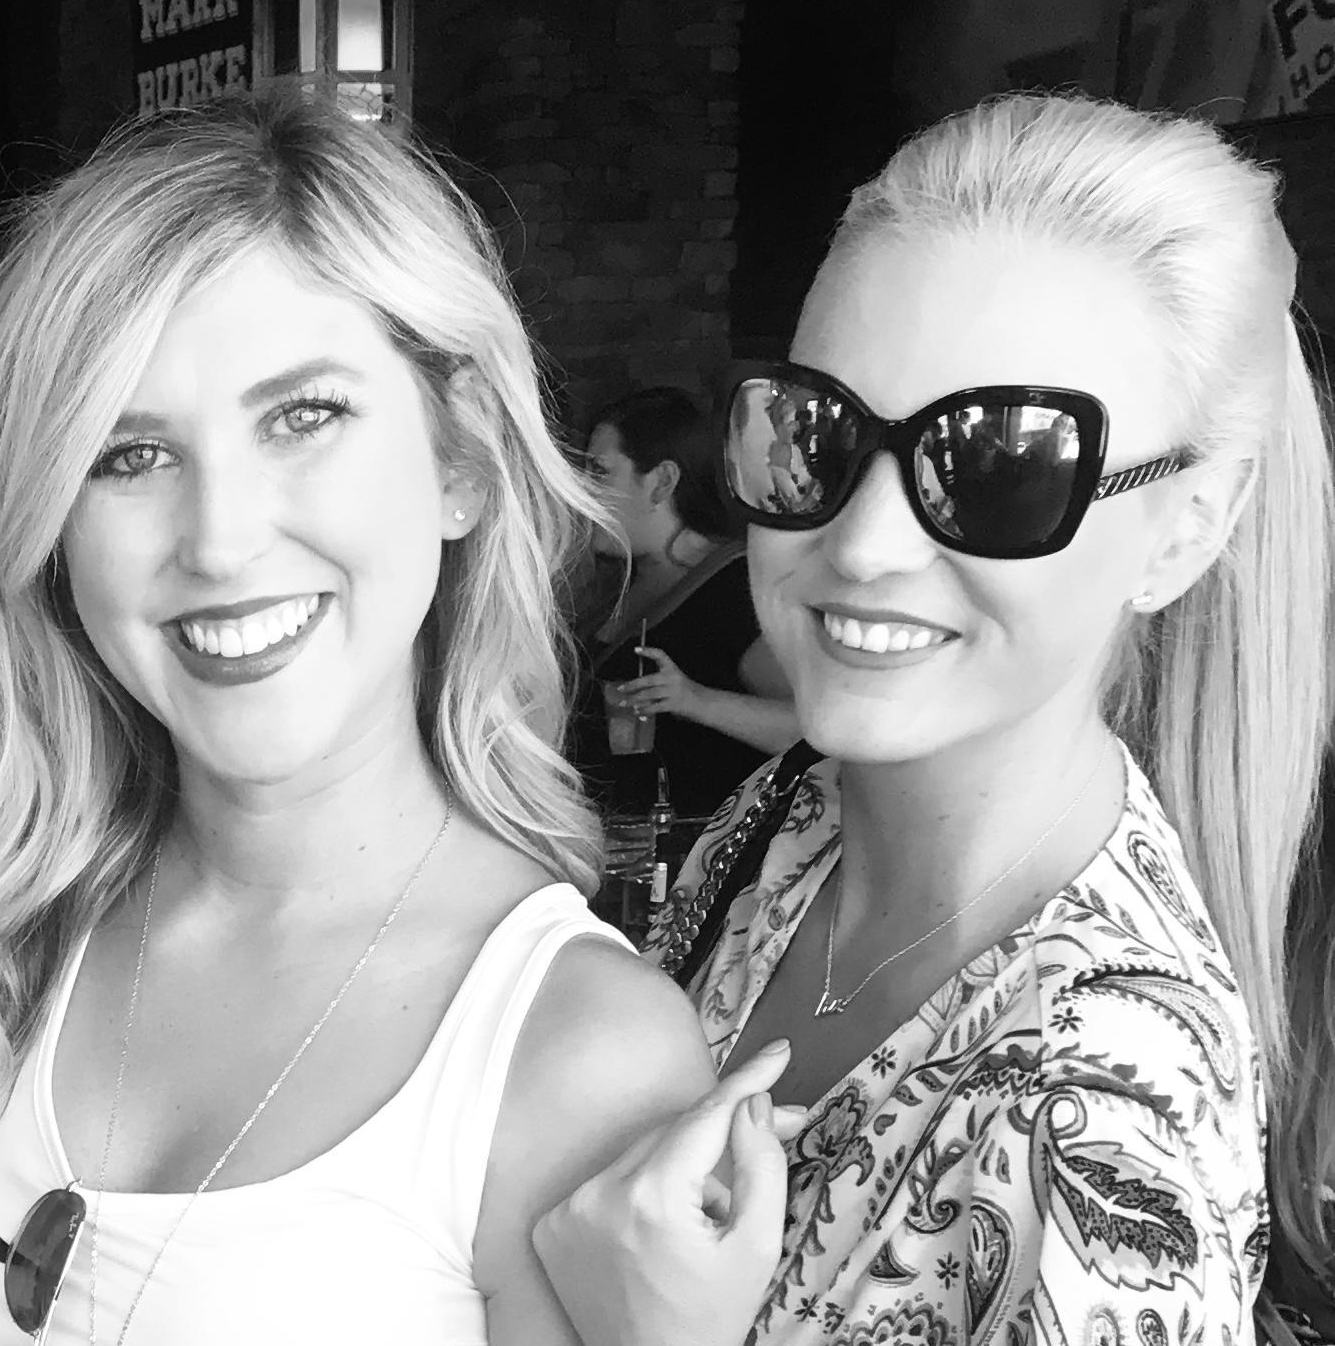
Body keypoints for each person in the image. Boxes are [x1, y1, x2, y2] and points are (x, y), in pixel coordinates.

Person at [0, 89, 718, 1346]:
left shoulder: (580, 1052)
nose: (219, 540)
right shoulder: (14, 941)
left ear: (461, 463)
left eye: (303, 417)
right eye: (127, 454)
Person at [535, 93, 1335, 1345]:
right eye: (816, 433)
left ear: (1185, 531)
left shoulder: (1101, 1130)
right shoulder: (791, 816)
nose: (861, 544)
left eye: (1003, 466)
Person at [575, 387, 798, 818]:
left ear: (662, 482)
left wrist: (696, 701)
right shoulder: (613, 583)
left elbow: (811, 731)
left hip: (698, 850)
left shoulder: (736, 588)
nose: (581, 493)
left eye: (600, 473)